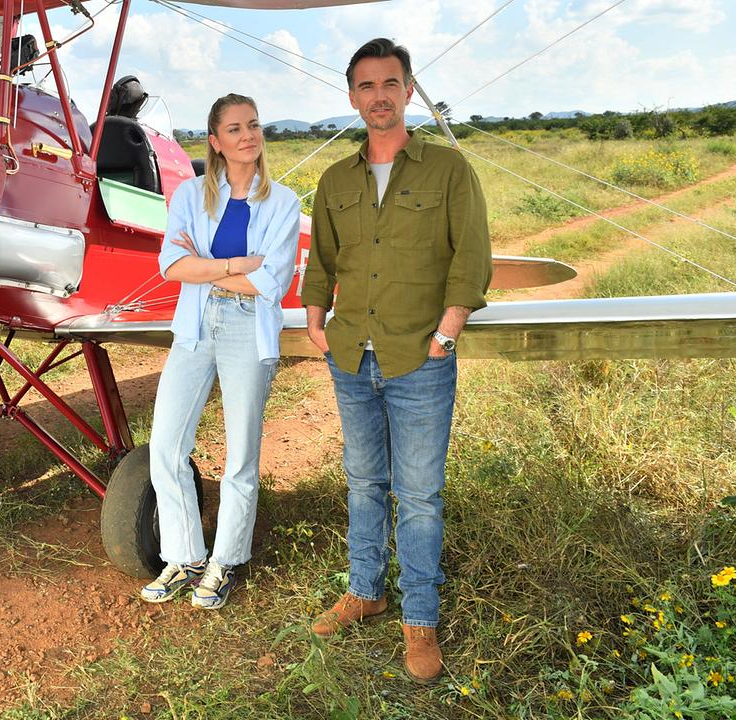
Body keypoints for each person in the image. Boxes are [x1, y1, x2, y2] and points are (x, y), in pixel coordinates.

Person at [301, 38, 492, 682]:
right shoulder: (335, 179)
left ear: (409, 91)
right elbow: (322, 260)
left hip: (421, 358)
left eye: (389, 84)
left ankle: (419, 618)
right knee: (362, 482)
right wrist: (314, 322)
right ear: (352, 97)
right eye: (365, 86)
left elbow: (471, 256)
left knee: (418, 496)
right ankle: (365, 590)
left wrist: (446, 332)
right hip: (352, 354)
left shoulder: (448, 171)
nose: (378, 97)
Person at [141, 93, 301, 610]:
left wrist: (207, 266)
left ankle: (224, 560)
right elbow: (171, 266)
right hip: (193, 327)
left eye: (253, 125)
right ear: (215, 141)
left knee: (240, 456)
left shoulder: (284, 202)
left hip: (247, 330)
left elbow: (271, 281)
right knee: (166, 445)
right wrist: (236, 266)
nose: (247, 135)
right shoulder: (188, 196)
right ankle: (185, 556)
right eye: (234, 128)